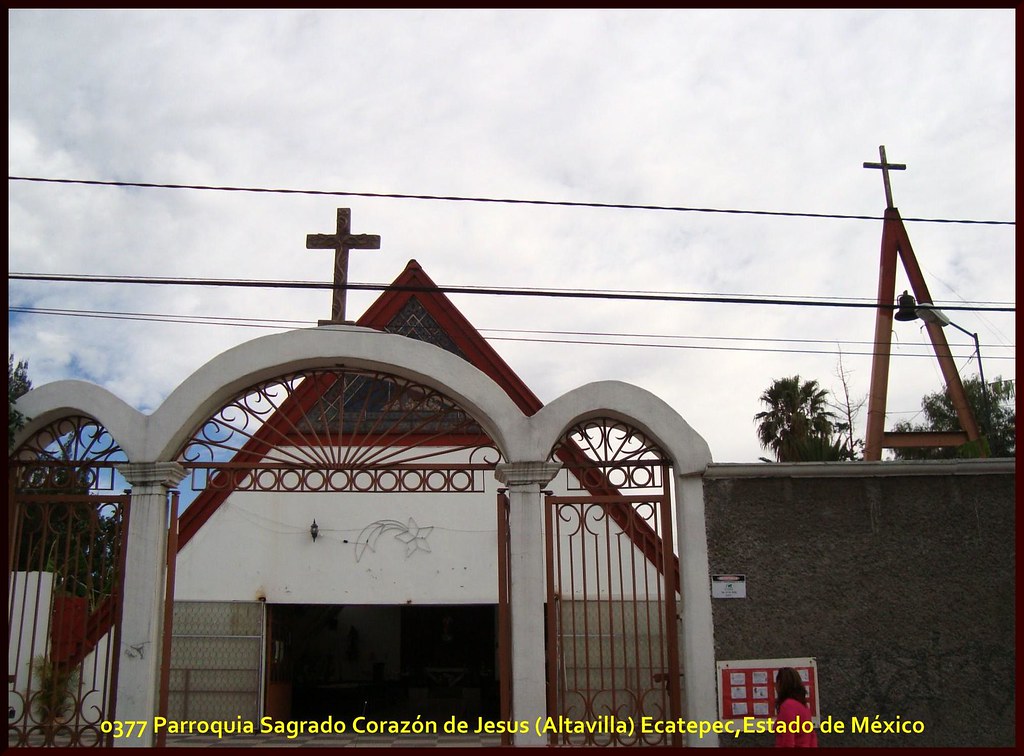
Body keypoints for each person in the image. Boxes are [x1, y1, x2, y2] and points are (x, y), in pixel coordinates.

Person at [774, 667, 818, 747]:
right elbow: (812, 736)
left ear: (780, 684)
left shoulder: (787, 706)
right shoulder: (804, 706)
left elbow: (788, 741)